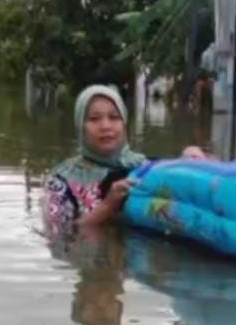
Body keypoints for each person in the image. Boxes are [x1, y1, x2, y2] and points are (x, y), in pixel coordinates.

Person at [43, 84, 205, 232]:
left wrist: (187, 162)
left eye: (114, 117)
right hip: (92, 258)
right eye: (94, 119)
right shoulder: (61, 181)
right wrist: (107, 207)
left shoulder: (143, 167)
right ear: (80, 127)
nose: (106, 126)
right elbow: (58, 234)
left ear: (124, 124)